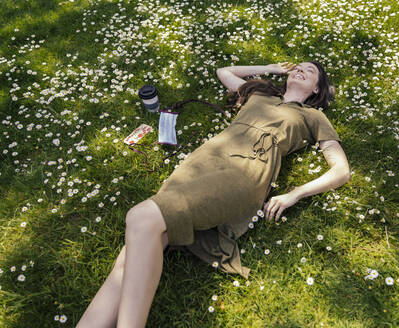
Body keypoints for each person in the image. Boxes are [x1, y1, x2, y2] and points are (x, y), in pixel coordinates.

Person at [76, 61, 351, 328]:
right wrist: (272, 69)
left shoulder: (313, 116)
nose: (301, 69)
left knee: (140, 218)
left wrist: (294, 194)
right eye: (298, 66)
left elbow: (341, 170)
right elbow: (224, 72)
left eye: (310, 70)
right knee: (134, 251)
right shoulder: (260, 93)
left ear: (317, 88)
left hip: (244, 170)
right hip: (205, 160)